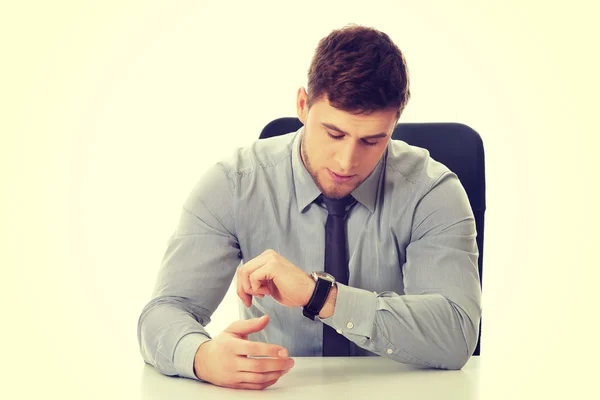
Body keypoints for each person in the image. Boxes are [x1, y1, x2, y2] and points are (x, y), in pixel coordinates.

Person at [137, 24, 481, 391]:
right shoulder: (234, 183)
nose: (348, 161)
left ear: (394, 124)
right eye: (334, 134)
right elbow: (164, 312)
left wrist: (319, 296)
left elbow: (457, 335)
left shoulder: (433, 191)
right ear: (303, 105)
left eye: (372, 140)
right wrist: (201, 357)